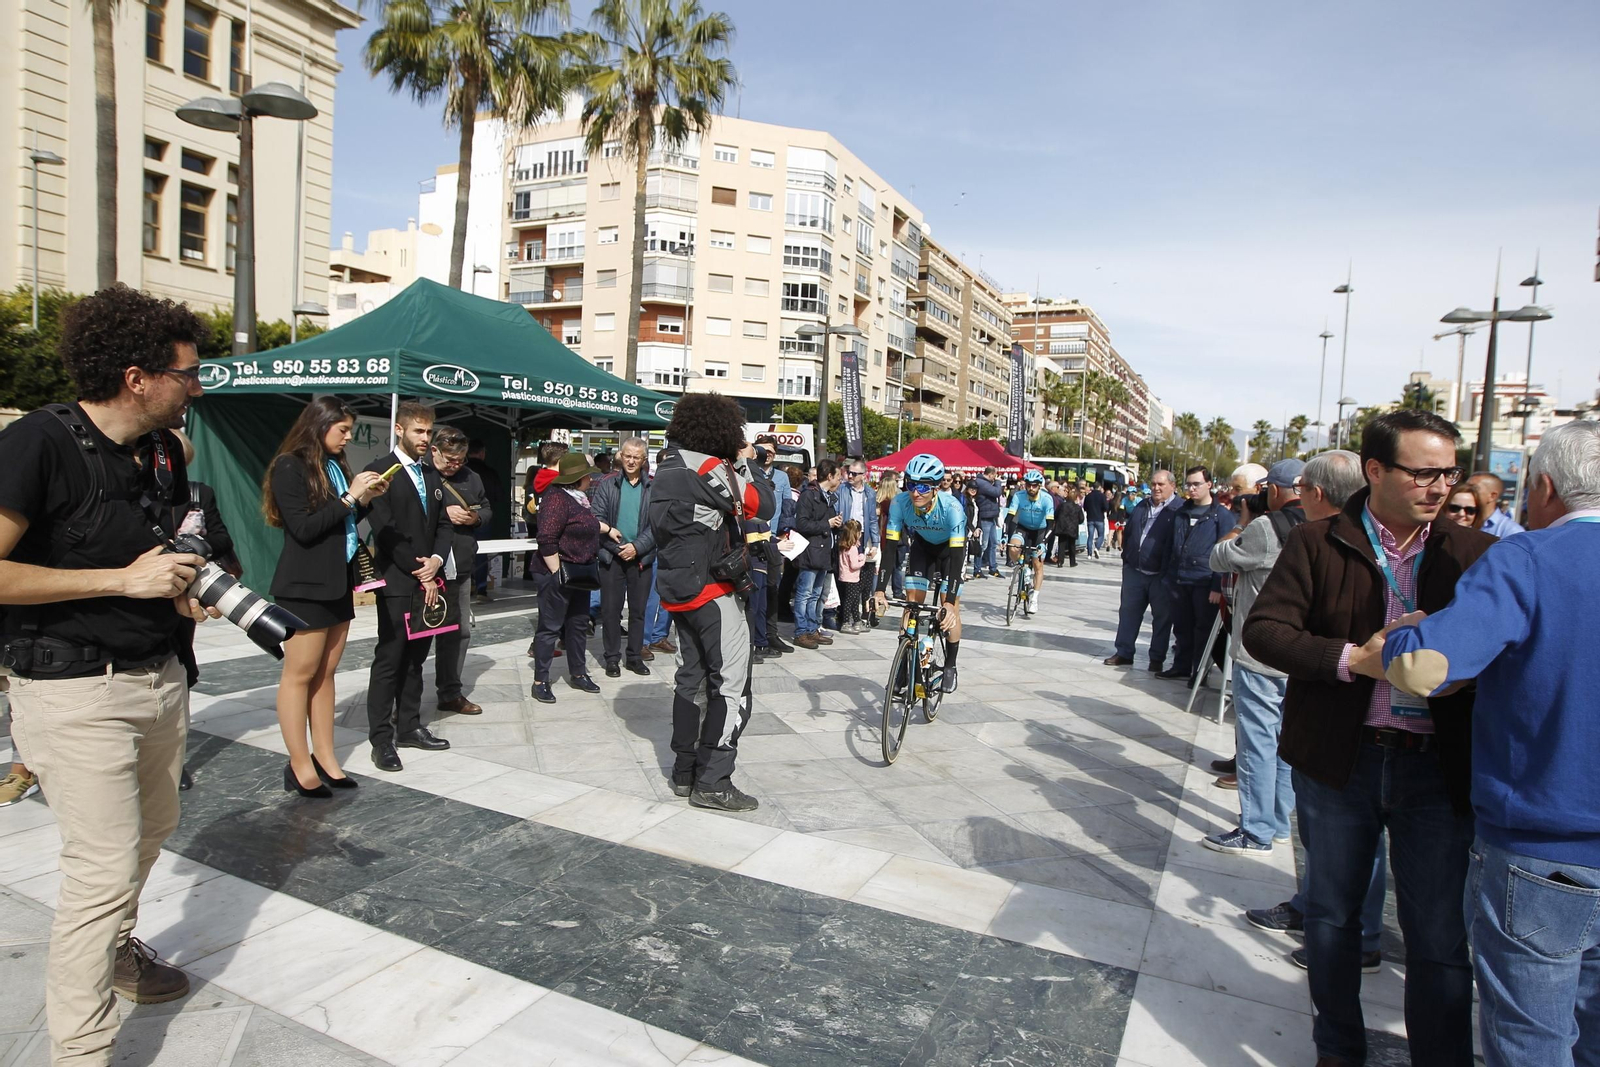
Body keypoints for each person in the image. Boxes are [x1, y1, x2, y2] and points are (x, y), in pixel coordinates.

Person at [0, 285, 219, 1062]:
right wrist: (121, 583)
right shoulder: (38, 443)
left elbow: (152, 553)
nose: (196, 386)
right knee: (99, 870)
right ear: (138, 376)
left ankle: (119, 947)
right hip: (71, 689)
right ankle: (81, 1051)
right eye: (188, 373)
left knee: (150, 834)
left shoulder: (163, 451)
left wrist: (184, 591)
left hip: (158, 677)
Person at [1244, 411, 1494, 1067]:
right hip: (1340, 761)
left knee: (1438, 936)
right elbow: (1265, 631)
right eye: (1423, 471)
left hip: (1436, 770)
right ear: (1376, 469)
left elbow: (1511, 655)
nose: (1439, 486)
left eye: (1448, 472)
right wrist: (1355, 657)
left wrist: (1454, 661)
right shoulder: (1317, 542)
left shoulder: (1477, 553)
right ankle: (1337, 1048)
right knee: (1331, 919)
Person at [1368, 421, 1600, 1067]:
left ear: (1546, 487)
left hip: (1543, 851)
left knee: (1531, 1044)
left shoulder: (1528, 558)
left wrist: (1404, 635)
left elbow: (1426, 668)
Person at [1240, 451, 1392, 976]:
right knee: (1323, 835)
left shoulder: (1400, 551)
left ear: (1319, 494)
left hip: (1377, 726)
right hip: (1320, 718)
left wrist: (1348, 659)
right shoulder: (1311, 541)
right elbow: (1268, 630)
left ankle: (1362, 937)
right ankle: (1313, 907)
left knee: (1362, 842)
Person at [648, 393, 775, 811]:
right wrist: (746, 459)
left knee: (691, 678)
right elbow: (764, 504)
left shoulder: (665, 466)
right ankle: (714, 781)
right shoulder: (706, 466)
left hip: (677, 589)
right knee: (732, 686)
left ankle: (684, 772)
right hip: (713, 592)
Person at [266, 397, 391, 796]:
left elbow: (341, 523)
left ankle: (326, 756)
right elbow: (303, 529)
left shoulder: (335, 467)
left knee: (326, 673)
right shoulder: (290, 465)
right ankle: (299, 764)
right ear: (319, 426)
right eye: (343, 429)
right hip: (304, 586)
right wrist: (351, 497)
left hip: (338, 580)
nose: (349, 436)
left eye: (351, 429)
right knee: (299, 674)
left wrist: (364, 501)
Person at [1201, 459, 1305, 855]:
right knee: (1284, 743)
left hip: (1260, 651)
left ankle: (1256, 828)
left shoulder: (1264, 527)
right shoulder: (1315, 527)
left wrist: (1245, 519)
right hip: (1298, 652)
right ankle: (1278, 821)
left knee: (1257, 743)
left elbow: (1219, 556)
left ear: (1274, 491)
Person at [364, 401, 454, 773]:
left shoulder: (431, 474)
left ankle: (409, 725)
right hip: (399, 582)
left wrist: (436, 561)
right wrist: (419, 570)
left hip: (429, 582)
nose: (425, 438)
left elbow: (444, 525)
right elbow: (383, 530)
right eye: (419, 431)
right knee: (391, 658)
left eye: (429, 432)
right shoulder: (379, 471)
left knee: (418, 658)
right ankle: (381, 739)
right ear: (399, 430)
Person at [872, 453, 966, 694]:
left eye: (923, 486)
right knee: (911, 604)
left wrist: (952, 604)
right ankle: (905, 660)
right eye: (911, 485)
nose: (915, 492)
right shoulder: (899, 503)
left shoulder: (952, 508)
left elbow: (957, 558)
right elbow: (890, 549)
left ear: (935, 488)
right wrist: (880, 590)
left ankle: (950, 666)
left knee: (949, 607)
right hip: (922, 549)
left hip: (949, 554)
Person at [531, 453, 606, 702]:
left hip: (579, 573)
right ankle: (540, 680)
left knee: (578, 624)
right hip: (559, 572)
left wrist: (607, 529)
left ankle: (578, 673)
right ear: (580, 478)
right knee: (550, 627)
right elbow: (546, 538)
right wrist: (556, 572)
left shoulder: (578, 499)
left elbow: (585, 524)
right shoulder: (556, 498)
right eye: (588, 475)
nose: (591, 479)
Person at [429, 426, 490, 715]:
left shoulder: (472, 476)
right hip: (426, 567)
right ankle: (403, 699)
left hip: (461, 565)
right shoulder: (422, 474)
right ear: (435, 451)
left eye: (460, 460)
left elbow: (488, 508)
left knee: (459, 631)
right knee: (416, 635)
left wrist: (475, 517)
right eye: (450, 460)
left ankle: (450, 691)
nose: (455, 465)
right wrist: (444, 512)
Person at [1157, 466, 1236, 682]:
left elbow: (1225, 552)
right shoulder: (1180, 512)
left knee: (1202, 630)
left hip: (1203, 582)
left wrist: (1216, 585)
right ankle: (1181, 666)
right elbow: (1169, 546)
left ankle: (1199, 671)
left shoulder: (1221, 515)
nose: (1191, 489)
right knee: (1181, 627)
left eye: (1196, 484)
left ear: (1209, 485)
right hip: (1177, 580)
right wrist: (1166, 576)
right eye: (1188, 484)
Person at [591, 437, 654, 678]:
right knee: (610, 610)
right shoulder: (607, 484)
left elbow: (658, 525)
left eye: (636, 457)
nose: (630, 461)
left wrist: (637, 547)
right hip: (612, 556)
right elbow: (597, 518)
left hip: (641, 558)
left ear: (643, 460)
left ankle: (635, 657)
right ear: (620, 455)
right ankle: (612, 658)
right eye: (627, 455)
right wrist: (618, 549)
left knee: (638, 611)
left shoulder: (652, 487)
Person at [1105, 470, 1179, 669]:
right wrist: (1127, 558)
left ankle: (1156, 658)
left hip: (1161, 575)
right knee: (1128, 613)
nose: (1156, 488)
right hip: (1135, 571)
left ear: (1172, 486)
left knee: (1162, 618)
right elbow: (1129, 533)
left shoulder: (1179, 509)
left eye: (1161, 484)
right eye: (1153, 484)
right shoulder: (1142, 505)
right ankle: (1124, 652)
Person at [791, 459, 843, 649]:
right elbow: (802, 524)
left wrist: (837, 525)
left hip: (824, 553)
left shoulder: (829, 497)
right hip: (811, 552)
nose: (840, 481)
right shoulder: (809, 495)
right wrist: (827, 524)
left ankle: (812, 629)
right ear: (829, 476)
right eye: (838, 477)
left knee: (815, 594)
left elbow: (826, 522)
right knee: (804, 593)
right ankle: (801, 632)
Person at [751, 436, 795, 656]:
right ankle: (757, 638)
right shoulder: (750, 473)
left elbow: (788, 507)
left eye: (771, 451)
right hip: (756, 540)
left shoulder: (782, 477)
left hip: (776, 541)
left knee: (773, 590)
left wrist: (784, 535)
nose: (767, 454)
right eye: (763, 450)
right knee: (757, 592)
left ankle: (770, 634)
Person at [1006, 470, 1055, 612]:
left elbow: (1051, 523)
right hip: (1023, 528)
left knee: (1037, 564)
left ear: (1039, 486)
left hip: (1041, 531)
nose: (1031, 488)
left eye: (1034, 485)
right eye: (1028, 485)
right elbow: (1009, 518)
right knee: (1013, 547)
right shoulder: (1019, 496)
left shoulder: (1046, 499)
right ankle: (1022, 569)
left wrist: (1044, 542)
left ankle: (1034, 599)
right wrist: (1005, 535)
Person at [465, 438, 501, 600]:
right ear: (482, 453)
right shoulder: (489, 472)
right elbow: (498, 495)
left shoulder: (461, 472)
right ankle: (480, 589)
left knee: (463, 552)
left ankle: (466, 587)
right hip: (482, 519)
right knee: (481, 553)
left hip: (462, 517)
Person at [1466, 471, 1524, 537]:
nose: (1466, 492)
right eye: (1465, 487)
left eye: (1474, 488)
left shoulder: (1510, 531)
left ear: (1492, 496)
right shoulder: (1459, 519)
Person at [972, 465, 1005, 577]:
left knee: (993, 543)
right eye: (994, 476)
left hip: (991, 517)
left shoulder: (985, 482)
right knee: (983, 545)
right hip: (985, 517)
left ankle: (993, 567)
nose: (995, 478)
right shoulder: (982, 483)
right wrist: (998, 482)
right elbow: (996, 492)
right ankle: (977, 569)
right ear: (990, 474)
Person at [835, 519, 866, 634]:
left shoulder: (844, 546)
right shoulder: (853, 549)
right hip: (852, 579)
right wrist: (862, 559)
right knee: (850, 601)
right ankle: (846, 622)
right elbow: (854, 565)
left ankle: (856, 621)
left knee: (851, 600)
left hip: (844, 577)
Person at [1053, 482, 1084, 567]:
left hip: (1062, 527)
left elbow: (1055, 514)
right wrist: (1076, 522)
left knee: (1061, 544)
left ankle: (1060, 561)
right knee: (1072, 545)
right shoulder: (1077, 507)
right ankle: (1072, 562)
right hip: (1072, 528)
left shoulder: (1062, 505)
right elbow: (1081, 519)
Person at [1082, 482, 1108, 558]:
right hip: (1099, 518)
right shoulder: (1102, 496)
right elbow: (1106, 507)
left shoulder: (1088, 496)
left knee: (1090, 536)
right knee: (1101, 535)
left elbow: (1085, 507)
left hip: (1090, 518)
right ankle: (1097, 548)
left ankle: (1089, 554)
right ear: (1099, 487)